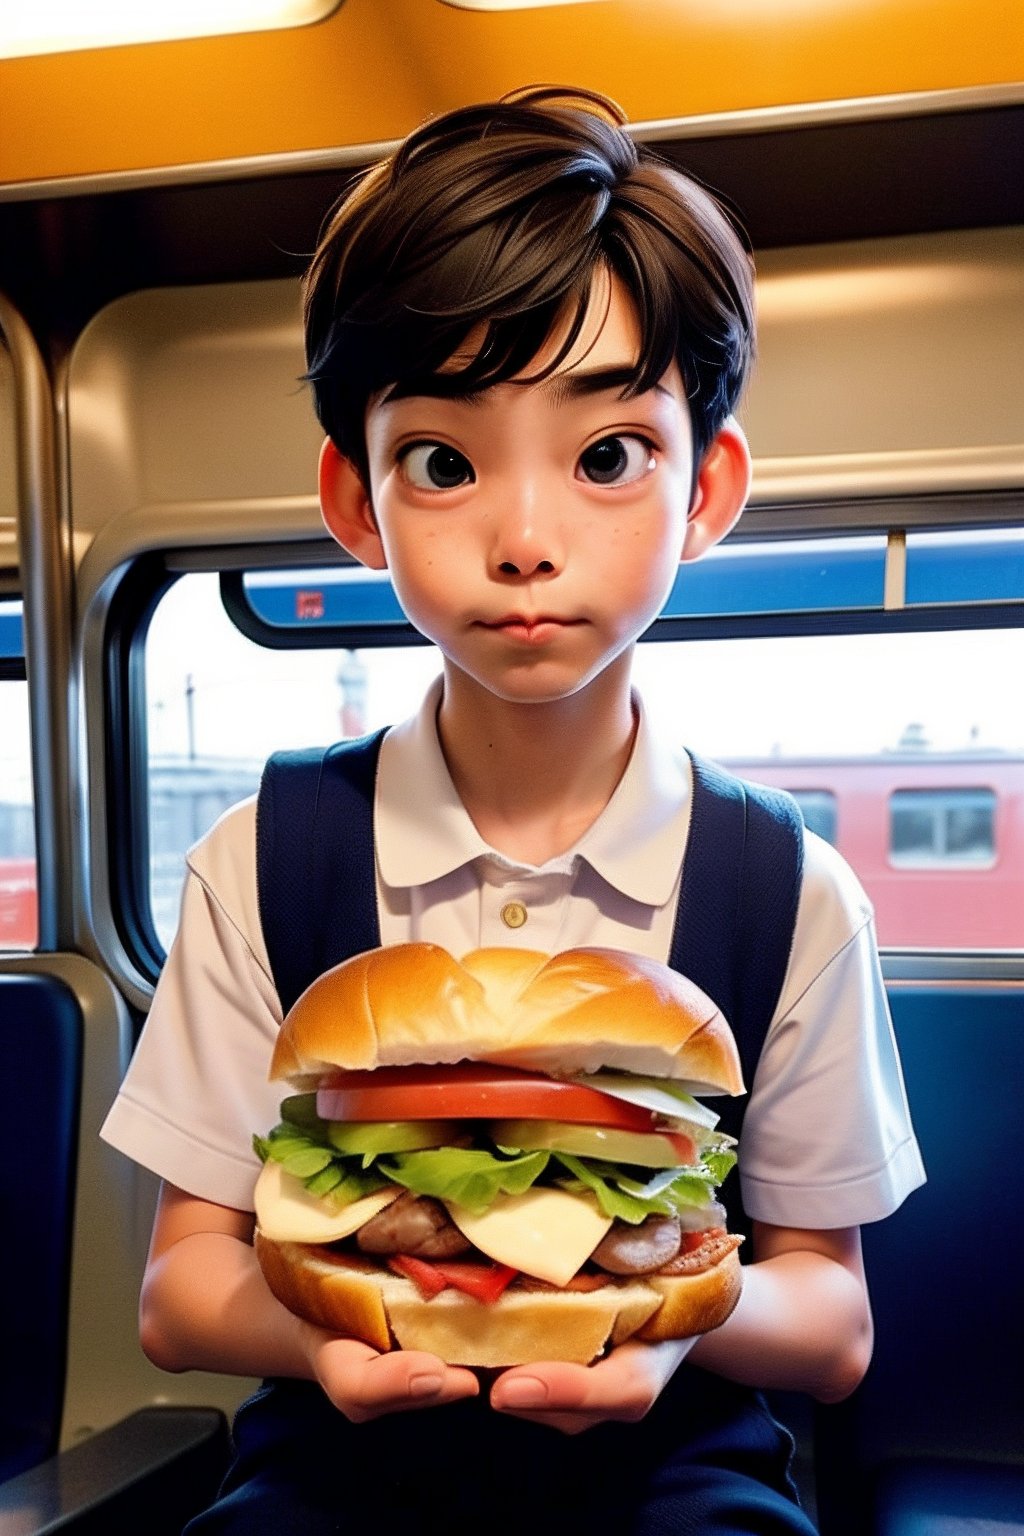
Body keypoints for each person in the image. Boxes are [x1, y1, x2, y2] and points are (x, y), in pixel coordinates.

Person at [101, 86, 925, 1533]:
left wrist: (647, 1324)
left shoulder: (787, 887)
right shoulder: (262, 863)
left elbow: (830, 1320)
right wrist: (323, 1345)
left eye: (609, 457)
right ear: (355, 502)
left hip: (674, 1451)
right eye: (444, 462)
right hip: (333, 1450)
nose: (529, 539)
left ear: (707, 489)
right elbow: (181, 1289)